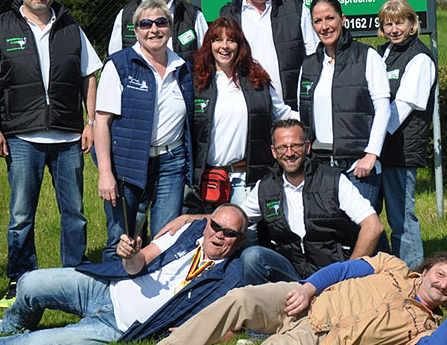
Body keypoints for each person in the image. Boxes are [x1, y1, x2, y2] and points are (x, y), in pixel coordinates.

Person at [0, 204, 249, 345]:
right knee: (29, 283)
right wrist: (129, 255)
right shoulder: (189, 231)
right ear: (207, 222)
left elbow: (228, 323)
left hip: (118, 326)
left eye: (228, 233)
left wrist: (205, 333)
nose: (218, 236)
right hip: (106, 287)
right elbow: (139, 262)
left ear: (239, 239)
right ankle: (7, 326)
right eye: (215, 226)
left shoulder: (229, 277)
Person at [110, 251, 447, 345]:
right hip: (303, 301)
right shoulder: (394, 266)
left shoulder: (427, 328)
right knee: (241, 298)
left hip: (317, 341)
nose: (443, 283)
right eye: (440, 273)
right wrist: (309, 289)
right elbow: (344, 269)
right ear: (426, 270)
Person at [0, 0, 102, 308]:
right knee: (21, 215)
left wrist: (89, 122)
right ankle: (20, 281)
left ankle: (76, 278)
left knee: (74, 212)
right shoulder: (1, 28)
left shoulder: (72, 28)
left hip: (68, 136)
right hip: (22, 136)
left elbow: (90, 75)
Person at [161, 119, 383, 287]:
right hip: (291, 276)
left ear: (307, 147)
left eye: (295, 146)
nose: (289, 153)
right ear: (273, 152)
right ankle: (260, 328)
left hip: (333, 275)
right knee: (252, 255)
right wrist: (189, 218)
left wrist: (349, 272)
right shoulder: (266, 187)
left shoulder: (334, 180)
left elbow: (373, 226)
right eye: (282, 148)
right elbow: (234, 220)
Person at [95, 0, 194, 262]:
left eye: (161, 23)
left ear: (170, 28)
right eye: (146, 24)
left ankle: (155, 298)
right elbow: (101, 122)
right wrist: (105, 174)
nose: (154, 30)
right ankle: (112, 297)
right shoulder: (119, 65)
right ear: (136, 31)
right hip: (127, 163)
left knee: (166, 238)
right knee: (122, 239)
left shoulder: (183, 68)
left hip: (171, 163)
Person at [190, 16, 298, 211]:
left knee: (247, 236)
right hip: (210, 183)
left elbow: (283, 114)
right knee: (212, 237)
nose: (224, 46)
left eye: (231, 40)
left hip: (246, 181)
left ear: (240, 45)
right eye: (218, 40)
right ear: (209, 45)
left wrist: (317, 122)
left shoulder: (257, 81)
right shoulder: (197, 84)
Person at [297, 0, 391, 215]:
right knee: (328, 235)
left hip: (358, 168)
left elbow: (383, 109)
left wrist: (371, 155)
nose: (325, 26)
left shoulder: (367, 57)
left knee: (364, 234)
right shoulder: (309, 65)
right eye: (318, 21)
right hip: (320, 168)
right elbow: (303, 116)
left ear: (343, 19)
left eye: (330, 18)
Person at [376, 0, 438, 269]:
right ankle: (386, 273)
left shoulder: (420, 58)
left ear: (413, 24)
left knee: (401, 218)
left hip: (400, 149)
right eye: (388, 23)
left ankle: (412, 278)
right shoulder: (382, 53)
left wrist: (373, 137)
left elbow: (402, 108)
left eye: (400, 22)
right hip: (380, 148)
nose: (394, 29)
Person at [219, 0, 318, 110]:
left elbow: (315, 60)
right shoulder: (228, 15)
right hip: (247, 110)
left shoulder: (297, 9)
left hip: (292, 110)